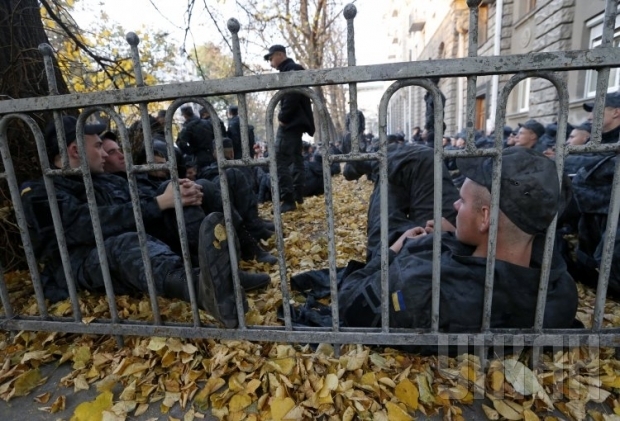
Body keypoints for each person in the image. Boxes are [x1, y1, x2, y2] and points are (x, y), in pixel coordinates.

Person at [20, 116, 269, 327]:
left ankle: (230, 267)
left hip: (134, 245)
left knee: (190, 190)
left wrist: (175, 193)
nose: (104, 153)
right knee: (125, 243)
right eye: (98, 146)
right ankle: (203, 287)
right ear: (74, 150)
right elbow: (81, 225)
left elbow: (142, 200)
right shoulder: (39, 191)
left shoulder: (106, 180)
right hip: (85, 261)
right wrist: (160, 202)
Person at [566, 92, 620, 298]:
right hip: (591, 232)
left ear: (616, 112)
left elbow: (592, 179)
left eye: (598, 111)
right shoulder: (599, 140)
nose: (590, 118)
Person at [264, 44, 315, 212]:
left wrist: (283, 117)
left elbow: (292, 94)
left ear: (280, 54)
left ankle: (288, 200)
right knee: (296, 159)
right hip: (297, 123)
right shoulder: (292, 68)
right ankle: (297, 194)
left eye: (271, 58)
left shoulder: (291, 69)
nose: (271, 63)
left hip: (291, 122)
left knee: (279, 160)